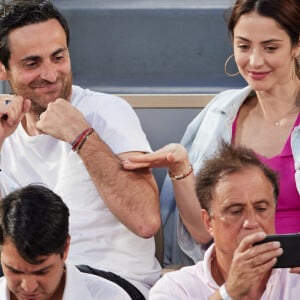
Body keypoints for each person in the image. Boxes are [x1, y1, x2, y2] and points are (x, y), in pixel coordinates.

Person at [0, 0, 161, 298]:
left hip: (112, 281)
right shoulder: (5, 130)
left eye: (58, 57)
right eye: (32, 64)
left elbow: (146, 220)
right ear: (3, 69)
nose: (50, 75)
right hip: (28, 285)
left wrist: (81, 137)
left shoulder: (107, 112)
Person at [123, 0, 300, 266]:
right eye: (243, 46)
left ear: (297, 46)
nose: (254, 60)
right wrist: (180, 167)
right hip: (231, 274)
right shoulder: (219, 113)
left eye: (270, 47)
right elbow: (200, 231)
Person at [148, 142, 300, 299]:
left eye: (261, 209)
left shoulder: (295, 278)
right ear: (208, 222)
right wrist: (229, 293)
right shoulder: (176, 288)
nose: (251, 222)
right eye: (235, 211)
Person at [0, 184, 131, 300]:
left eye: (42, 272)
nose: (28, 287)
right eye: (15, 271)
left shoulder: (110, 297)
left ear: (66, 248)